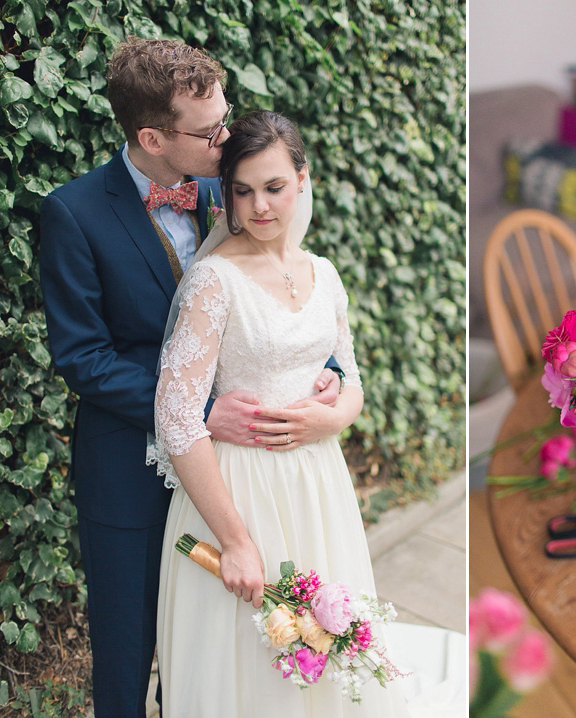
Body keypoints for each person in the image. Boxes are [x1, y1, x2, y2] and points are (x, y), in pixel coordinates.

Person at [39, 38, 342, 717]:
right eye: (210, 130)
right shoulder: (73, 214)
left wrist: (317, 372)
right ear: (151, 136)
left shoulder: (230, 188)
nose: (227, 136)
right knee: (126, 650)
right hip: (127, 470)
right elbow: (83, 358)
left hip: (229, 476)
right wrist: (200, 407)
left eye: (225, 115)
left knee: (203, 644)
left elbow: (273, 294)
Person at [149, 110, 409, 715]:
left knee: (322, 661)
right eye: (242, 191)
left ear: (302, 179)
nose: (259, 207)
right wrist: (235, 542)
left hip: (318, 489)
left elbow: (353, 380)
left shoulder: (324, 273)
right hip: (238, 493)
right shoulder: (214, 280)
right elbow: (177, 416)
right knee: (247, 665)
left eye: (273, 188)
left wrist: (334, 418)